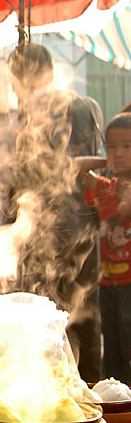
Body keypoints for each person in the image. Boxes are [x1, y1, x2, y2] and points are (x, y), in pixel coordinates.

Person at [2, 43, 104, 382]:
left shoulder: (32, 111)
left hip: (46, 234)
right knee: (86, 315)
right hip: (87, 228)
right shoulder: (86, 105)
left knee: (49, 321)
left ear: (23, 75)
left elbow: (24, 180)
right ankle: (94, 393)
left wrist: (9, 224)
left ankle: (61, 397)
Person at [76, 112, 131, 384]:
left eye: (126, 146)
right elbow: (75, 167)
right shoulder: (106, 188)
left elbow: (125, 209)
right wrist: (106, 160)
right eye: (111, 145)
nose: (118, 152)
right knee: (114, 358)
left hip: (130, 288)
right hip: (108, 285)